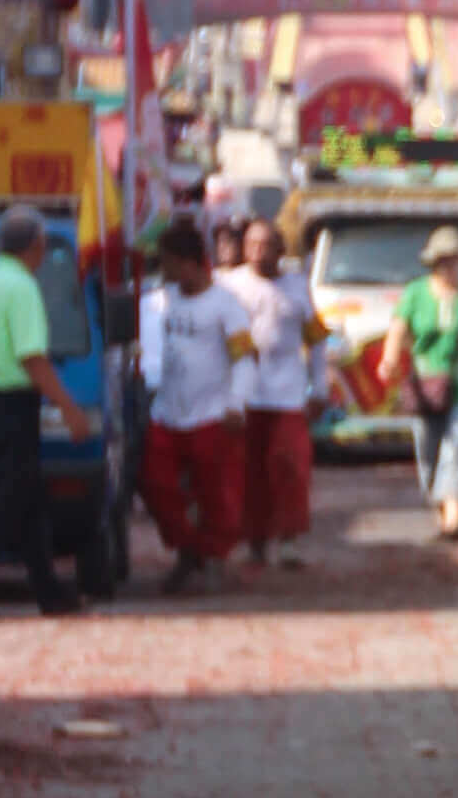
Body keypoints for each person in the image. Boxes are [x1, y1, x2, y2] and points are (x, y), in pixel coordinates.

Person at [0, 206, 93, 619]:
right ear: (37, 245)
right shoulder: (22, 288)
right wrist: (70, 410)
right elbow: (32, 358)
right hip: (12, 405)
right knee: (5, 506)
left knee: (26, 505)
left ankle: (50, 595)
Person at [139, 215, 250, 590]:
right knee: (157, 486)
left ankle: (213, 557)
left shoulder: (226, 304)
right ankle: (189, 551)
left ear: (188, 263)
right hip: (167, 413)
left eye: (168, 262)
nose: (164, 270)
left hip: (213, 415)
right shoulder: (161, 300)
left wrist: (237, 403)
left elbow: (245, 358)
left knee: (217, 493)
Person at [231, 217, 349, 569]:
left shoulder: (298, 287)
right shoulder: (231, 286)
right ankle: (254, 541)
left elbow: (315, 341)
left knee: (291, 466)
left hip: (288, 395)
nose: (258, 253)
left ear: (281, 250)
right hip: (245, 397)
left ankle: (289, 540)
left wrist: (320, 387)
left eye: (266, 245)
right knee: (250, 472)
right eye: (252, 245)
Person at [391, 225, 458, 546]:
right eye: (444, 261)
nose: (451, 268)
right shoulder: (415, 293)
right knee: (427, 450)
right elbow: (398, 331)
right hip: (426, 385)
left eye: (456, 261)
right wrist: (390, 361)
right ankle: (443, 508)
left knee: (456, 448)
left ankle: (453, 520)